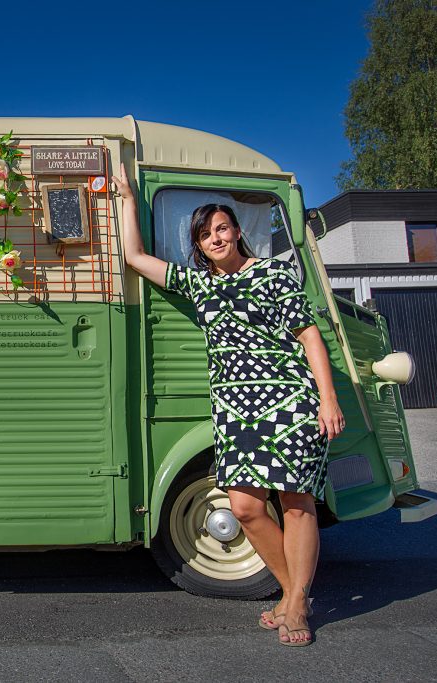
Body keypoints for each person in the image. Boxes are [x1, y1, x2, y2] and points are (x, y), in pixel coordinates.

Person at [113, 163, 344, 647]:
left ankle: (296, 602)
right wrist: (127, 198)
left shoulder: (274, 274)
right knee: (244, 507)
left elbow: (309, 337)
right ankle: (291, 591)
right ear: (197, 245)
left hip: (289, 400)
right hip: (235, 408)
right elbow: (134, 256)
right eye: (205, 234)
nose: (216, 238)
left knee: (297, 504)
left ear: (237, 231)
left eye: (222, 228)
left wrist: (327, 399)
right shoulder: (201, 286)